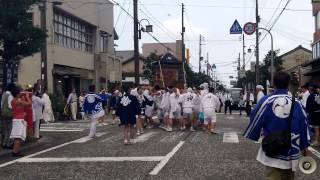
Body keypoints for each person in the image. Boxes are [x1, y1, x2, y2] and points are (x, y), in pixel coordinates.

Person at [244, 71, 310, 179]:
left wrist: (256, 133)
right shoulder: (297, 103)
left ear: (273, 84)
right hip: (291, 147)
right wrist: (304, 145)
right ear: (288, 84)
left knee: (273, 175)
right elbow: (304, 124)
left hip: (272, 146)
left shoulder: (266, 100)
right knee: (289, 176)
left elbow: (254, 116)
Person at [10, 86, 32, 157]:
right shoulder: (18, 101)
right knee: (18, 137)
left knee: (19, 137)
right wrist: (27, 96)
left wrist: (22, 96)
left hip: (17, 119)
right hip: (19, 120)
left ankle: (17, 150)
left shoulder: (13, 101)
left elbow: (23, 106)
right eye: (19, 92)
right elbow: (29, 104)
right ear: (17, 94)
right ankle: (15, 152)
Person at [1, 83, 15, 149]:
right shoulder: (10, 95)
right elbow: (10, 106)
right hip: (9, 114)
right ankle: (9, 144)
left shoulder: (3, 94)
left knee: (5, 129)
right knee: (10, 129)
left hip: (3, 113)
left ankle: (4, 143)